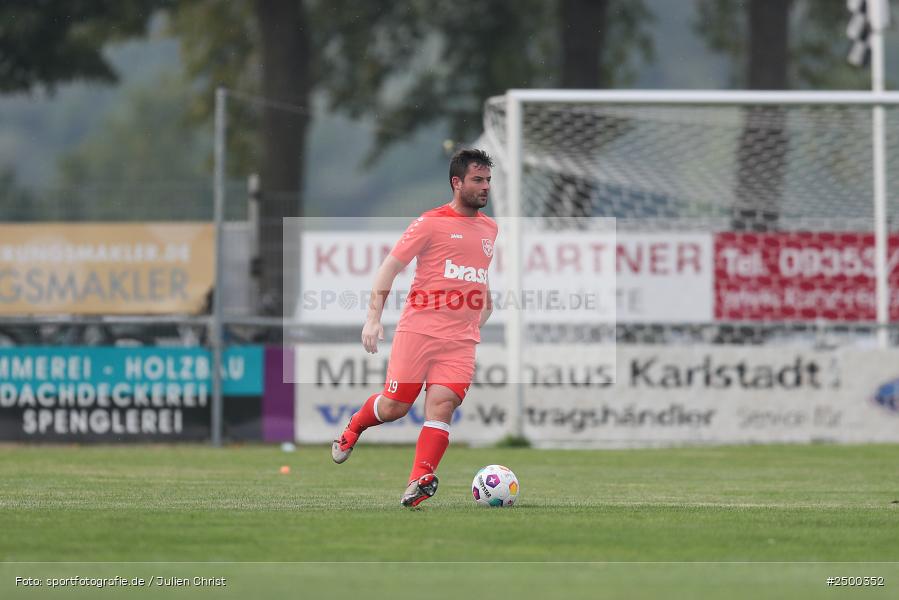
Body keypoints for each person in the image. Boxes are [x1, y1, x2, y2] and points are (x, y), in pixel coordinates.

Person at [331, 148, 497, 507]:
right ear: (457, 183)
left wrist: (481, 310)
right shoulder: (430, 223)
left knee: (442, 405)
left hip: (460, 342)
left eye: (488, 180)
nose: (485, 187)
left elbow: (477, 278)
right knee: (395, 408)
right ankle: (354, 428)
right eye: (478, 180)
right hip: (418, 332)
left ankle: (417, 483)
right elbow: (389, 269)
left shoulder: (489, 228)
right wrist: (373, 318)